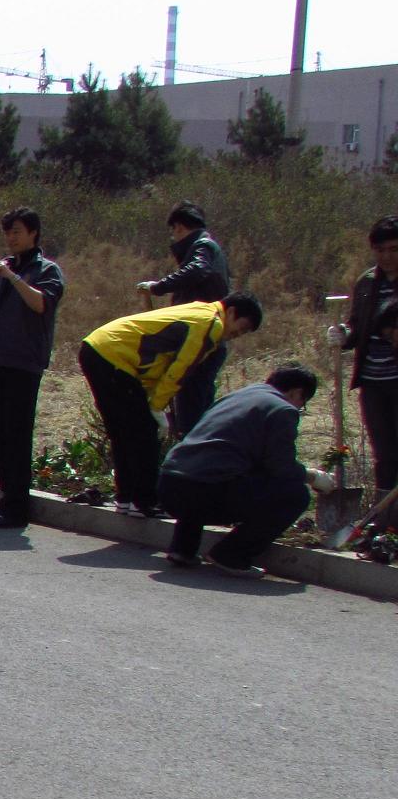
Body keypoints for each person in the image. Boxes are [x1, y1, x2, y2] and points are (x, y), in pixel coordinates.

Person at [79, 292, 260, 518]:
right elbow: (180, 370)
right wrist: (157, 407)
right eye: (241, 327)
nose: (237, 335)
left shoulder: (200, 310)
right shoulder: (210, 324)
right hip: (114, 357)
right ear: (231, 312)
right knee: (144, 433)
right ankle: (144, 502)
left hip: (99, 349)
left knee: (123, 433)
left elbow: (160, 361)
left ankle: (126, 498)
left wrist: (152, 402)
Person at [158, 365, 336, 579]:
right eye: (303, 402)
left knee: (207, 472)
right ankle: (231, 555)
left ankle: (183, 548)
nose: (299, 407)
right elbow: (281, 467)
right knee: (295, 495)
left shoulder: (235, 397)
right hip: (205, 493)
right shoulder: (282, 409)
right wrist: (313, 477)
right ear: (297, 392)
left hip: (169, 485)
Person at [0, 207, 66, 531]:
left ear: (33, 233)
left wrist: (12, 277)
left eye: (17, 231)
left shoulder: (46, 270)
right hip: (0, 360)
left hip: (26, 363)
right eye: (7, 232)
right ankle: (7, 500)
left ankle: (18, 508)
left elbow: (41, 304)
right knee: (1, 436)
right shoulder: (2, 269)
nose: (11, 238)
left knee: (18, 436)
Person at [137, 201, 233, 439]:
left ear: (179, 227)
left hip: (201, 342)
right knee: (195, 410)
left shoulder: (203, 246)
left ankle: (193, 453)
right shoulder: (210, 247)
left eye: (174, 231)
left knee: (192, 415)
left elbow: (197, 270)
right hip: (205, 341)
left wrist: (158, 287)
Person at [335, 216, 398, 494]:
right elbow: (357, 325)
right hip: (372, 382)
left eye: (394, 249)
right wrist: (344, 334)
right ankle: (385, 515)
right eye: (380, 250)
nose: (387, 256)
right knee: (384, 454)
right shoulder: (367, 283)